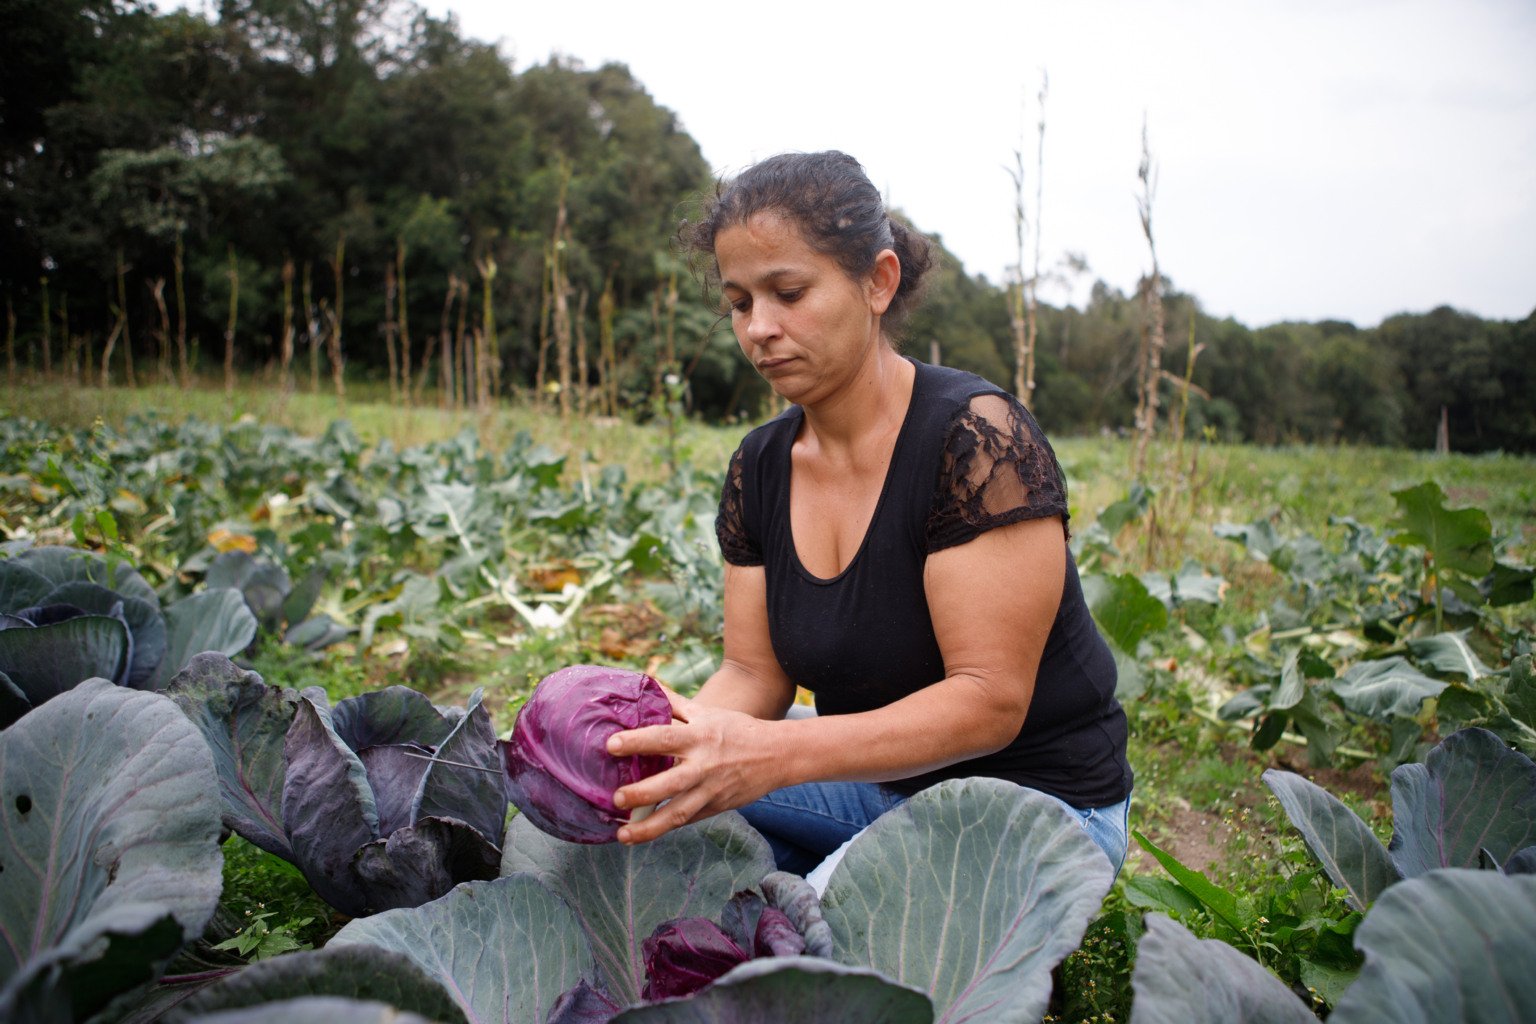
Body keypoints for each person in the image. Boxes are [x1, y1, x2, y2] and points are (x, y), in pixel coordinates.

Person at [606, 150, 1132, 882]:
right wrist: (665, 740)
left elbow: (990, 703)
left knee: (813, 947)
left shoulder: (976, 439)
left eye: (788, 291)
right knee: (645, 833)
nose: (759, 327)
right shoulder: (760, 466)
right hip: (877, 784)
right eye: (739, 302)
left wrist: (768, 755)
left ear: (878, 282)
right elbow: (753, 674)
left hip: (1035, 808)